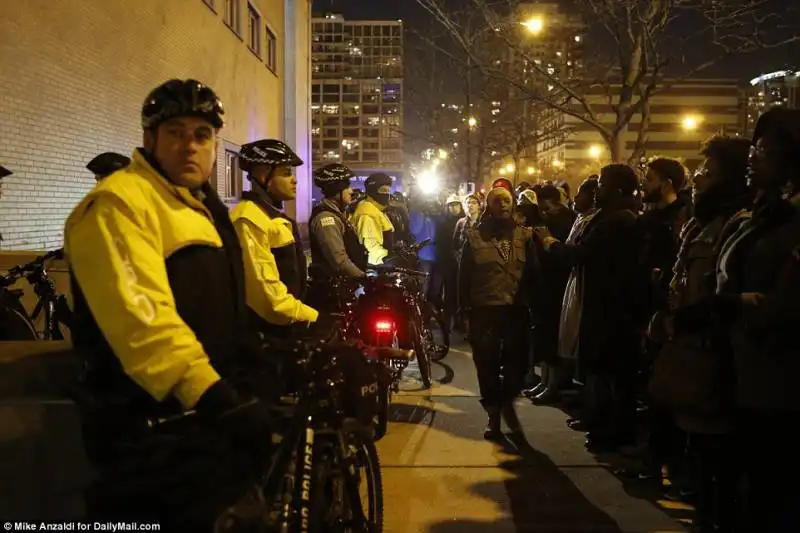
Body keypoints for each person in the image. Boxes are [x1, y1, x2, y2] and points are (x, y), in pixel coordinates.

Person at [64, 79, 274, 527]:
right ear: (149, 139)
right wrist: (218, 396)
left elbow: (224, 305)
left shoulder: (200, 207)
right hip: (148, 438)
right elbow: (143, 323)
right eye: (175, 132)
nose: (189, 146)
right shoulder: (118, 204)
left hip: (204, 429)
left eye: (202, 135)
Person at [459, 184, 537, 443]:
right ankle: (493, 415)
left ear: (513, 204)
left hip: (516, 311)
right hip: (484, 310)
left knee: (519, 365)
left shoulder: (526, 237)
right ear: (488, 206)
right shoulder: (474, 237)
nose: (502, 205)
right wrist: (463, 312)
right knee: (487, 364)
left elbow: (535, 276)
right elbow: (462, 278)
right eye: (497, 201)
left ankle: (505, 398)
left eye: (506, 200)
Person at [231, 139, 319, 336]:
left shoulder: (271, 217)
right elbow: (268, 298)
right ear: (264, 175)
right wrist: (313, 318)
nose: (294, 180)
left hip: (285, 329)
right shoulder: (248, 220)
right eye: (287, 173)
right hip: (265, 336)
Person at [308, 163, 368, 281]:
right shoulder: (326, 218)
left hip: (346, 286)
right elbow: (339, 261)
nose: (351, 191)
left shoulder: (339, 214)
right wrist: (364, 278)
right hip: (333, 290)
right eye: (347, 186)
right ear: (335, 190)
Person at [352, 172, 395, 264]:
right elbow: (370, 245)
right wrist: (386, 260)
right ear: (372, 191)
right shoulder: (367, 213)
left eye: (388, 191)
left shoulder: (377, 210)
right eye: (383, 191)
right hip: (375, 266)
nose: (386, 194)